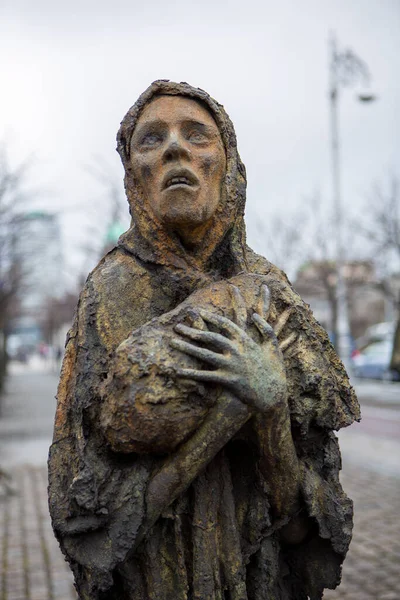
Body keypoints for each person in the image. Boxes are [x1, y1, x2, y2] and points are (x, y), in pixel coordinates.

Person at [48, 80, 360, 600]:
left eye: (197, 135)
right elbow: (101, 527)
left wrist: (271, 410)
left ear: (229, 166)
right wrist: (226, 417)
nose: (175, 148)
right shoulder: (112, 290)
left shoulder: (271, 294)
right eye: (151, 140)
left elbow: (302, 528)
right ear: (134, 178)